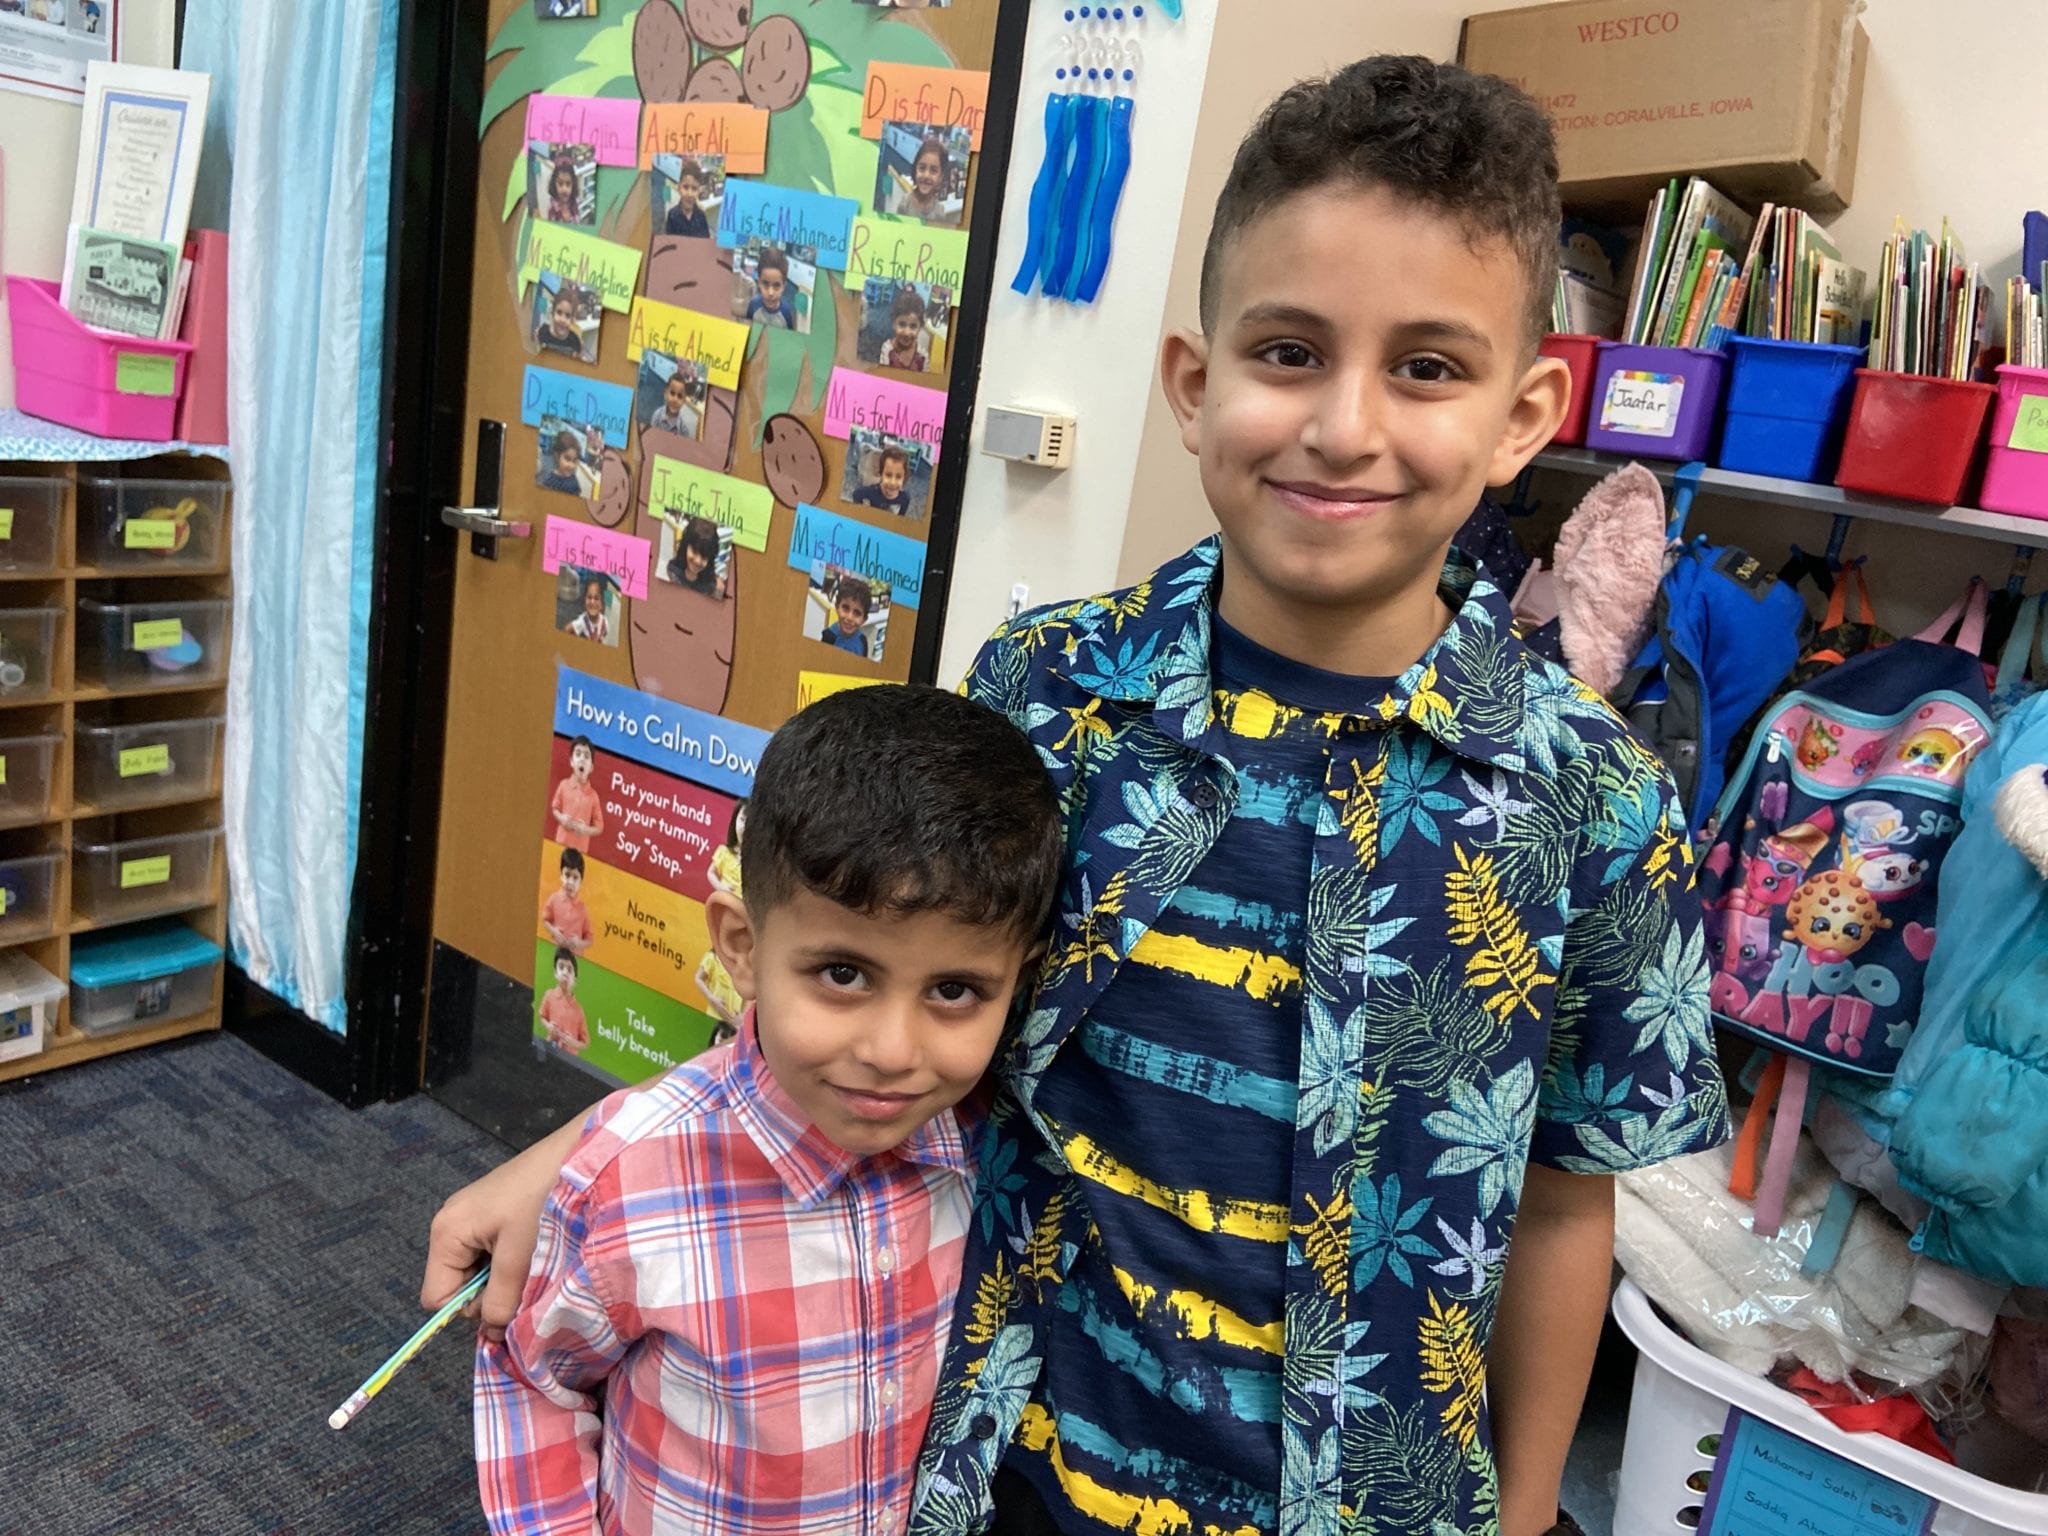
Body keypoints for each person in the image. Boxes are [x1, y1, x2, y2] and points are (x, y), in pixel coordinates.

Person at [427, 57, 1728, 1536]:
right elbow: (880, 977)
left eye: (1427, 368)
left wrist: (1529, 1511)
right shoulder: (1045, 692)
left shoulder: (1598, 801)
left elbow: (1561, 1202)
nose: (1344, 425)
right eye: (1288, 351)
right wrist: (581, 1158)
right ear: (1195, 383)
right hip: (1014, 1469)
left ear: (1524, 413)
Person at [474, 685, 1063, 1536]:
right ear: (742, 949)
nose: (892, 1050)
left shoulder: (997, 1147)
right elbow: (536, 1380)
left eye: (955, 991)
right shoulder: (629, 1181)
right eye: (843, 974)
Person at [549, 736, 603, 853]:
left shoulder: (593, 796)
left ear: (591, 767)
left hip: (580, 851)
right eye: (578, 754)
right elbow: (555, 808)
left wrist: (586, 830)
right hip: (560, 843)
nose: (582, 759)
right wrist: (562, 818)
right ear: (571, 762)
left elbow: (599, 827)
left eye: (586, 756)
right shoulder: (563, 785)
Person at [887, 135, 954, 224]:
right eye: (922, 168)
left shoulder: (939, 212)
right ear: (915, 169)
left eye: (933, 170)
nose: (926, 175)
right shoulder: (905, 204)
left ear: (940, 176)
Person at [540, 847, 593, 953]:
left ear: (581, 881)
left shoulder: (582, 909)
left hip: (574, 956)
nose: (570, 882)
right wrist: (554, 931)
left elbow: (589, 939)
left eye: (575, 877)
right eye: (567, 875)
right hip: (555, 951)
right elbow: (545, 920)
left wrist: (579, 943)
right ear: (561, 875)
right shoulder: (554, 899)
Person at [535, 947, 587, 1055]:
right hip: (550, 1051)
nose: (565, 973)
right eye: (561, 967)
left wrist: (572, 1042)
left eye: (569, 970)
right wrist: (549, 1026)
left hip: (569, 1057)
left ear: (575, 979)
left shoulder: (578, 1010)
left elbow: (584, 1043)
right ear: (555, 972)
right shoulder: (549, 995)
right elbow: (542, 1016)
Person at [664, 516, 725, 597]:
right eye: (694, 551)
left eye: (704, 556)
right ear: (685, 546)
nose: (697, 561)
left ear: (710, 559)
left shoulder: (712, 588)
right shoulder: (673, 571)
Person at [848, 444, 914, 516]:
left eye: (898, 477)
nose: (892, 482)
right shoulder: (872, 491)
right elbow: (857, 493)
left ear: (904, 477)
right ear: (881, 474)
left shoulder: (904, 497)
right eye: (888, 475)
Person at [744, 245, 798, 329]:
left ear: (784, 287)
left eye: (776, 285)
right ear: (759, 283)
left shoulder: (786, 313)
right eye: (765, 284)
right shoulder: (753, 305)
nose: (770, 293)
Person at [879, 285, 929, 371]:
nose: (906, 332)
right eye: (902, 324)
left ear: (920, 327)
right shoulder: (887, 350)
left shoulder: (922, 356)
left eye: (913, 326)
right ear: (894, 323)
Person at [820, 573, 871, 657]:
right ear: (837, 607)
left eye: (857, 613)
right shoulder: (828, 637)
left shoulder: (863, 642)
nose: (849, 617)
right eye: (845, 608)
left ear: (864, 619)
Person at [663, 159, 712, 239]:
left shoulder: (701, 216)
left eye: (694, 189)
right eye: (685, 187)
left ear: (699, 191)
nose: (689, 194)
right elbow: (670, 242)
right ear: (679, 188)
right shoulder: (672, 215)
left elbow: (705, 242)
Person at [645, 367, 699, 438]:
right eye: (672, 393)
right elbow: (650, 436)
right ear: (665, 393)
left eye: (680, 396)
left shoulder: (683, 430)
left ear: (683, 401)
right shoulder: (657, 416)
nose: (675, 399)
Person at [533, 288, 584, 358]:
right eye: (559, 312)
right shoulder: (542, 332)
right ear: (552, 312)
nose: (562, 320)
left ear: (572, 319)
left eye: (568, 316)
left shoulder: (575, 341)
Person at [537, 430, 584, 495]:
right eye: (567, 459)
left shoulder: (572, 477)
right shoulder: (549, 482)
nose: (571, 465)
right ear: (557, 456)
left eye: (574, 461)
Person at [565, 575, 610, 642]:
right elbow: (567, 629)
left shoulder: (605, 622)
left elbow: (604, 634)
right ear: (584, 602)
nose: (592, 602)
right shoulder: (582, 621)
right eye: (589, 597)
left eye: (596, 598)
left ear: (602, 605)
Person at [544, 154, 582, 225]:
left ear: (573, 185)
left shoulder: (575, 203)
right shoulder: (552, 209)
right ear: (554, 184)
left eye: (568, 184)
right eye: (560, 184)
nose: (564, 189)